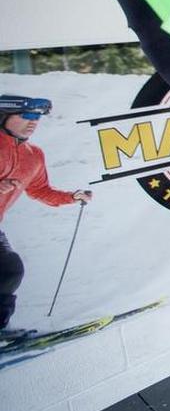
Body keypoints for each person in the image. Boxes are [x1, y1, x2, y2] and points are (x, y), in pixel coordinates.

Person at [0, 95, 92, 331]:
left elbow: (39, 189)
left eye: (37, 117)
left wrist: (72, 197)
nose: (33, 122)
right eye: (27, 116)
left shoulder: (33, 155)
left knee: (9, 270)